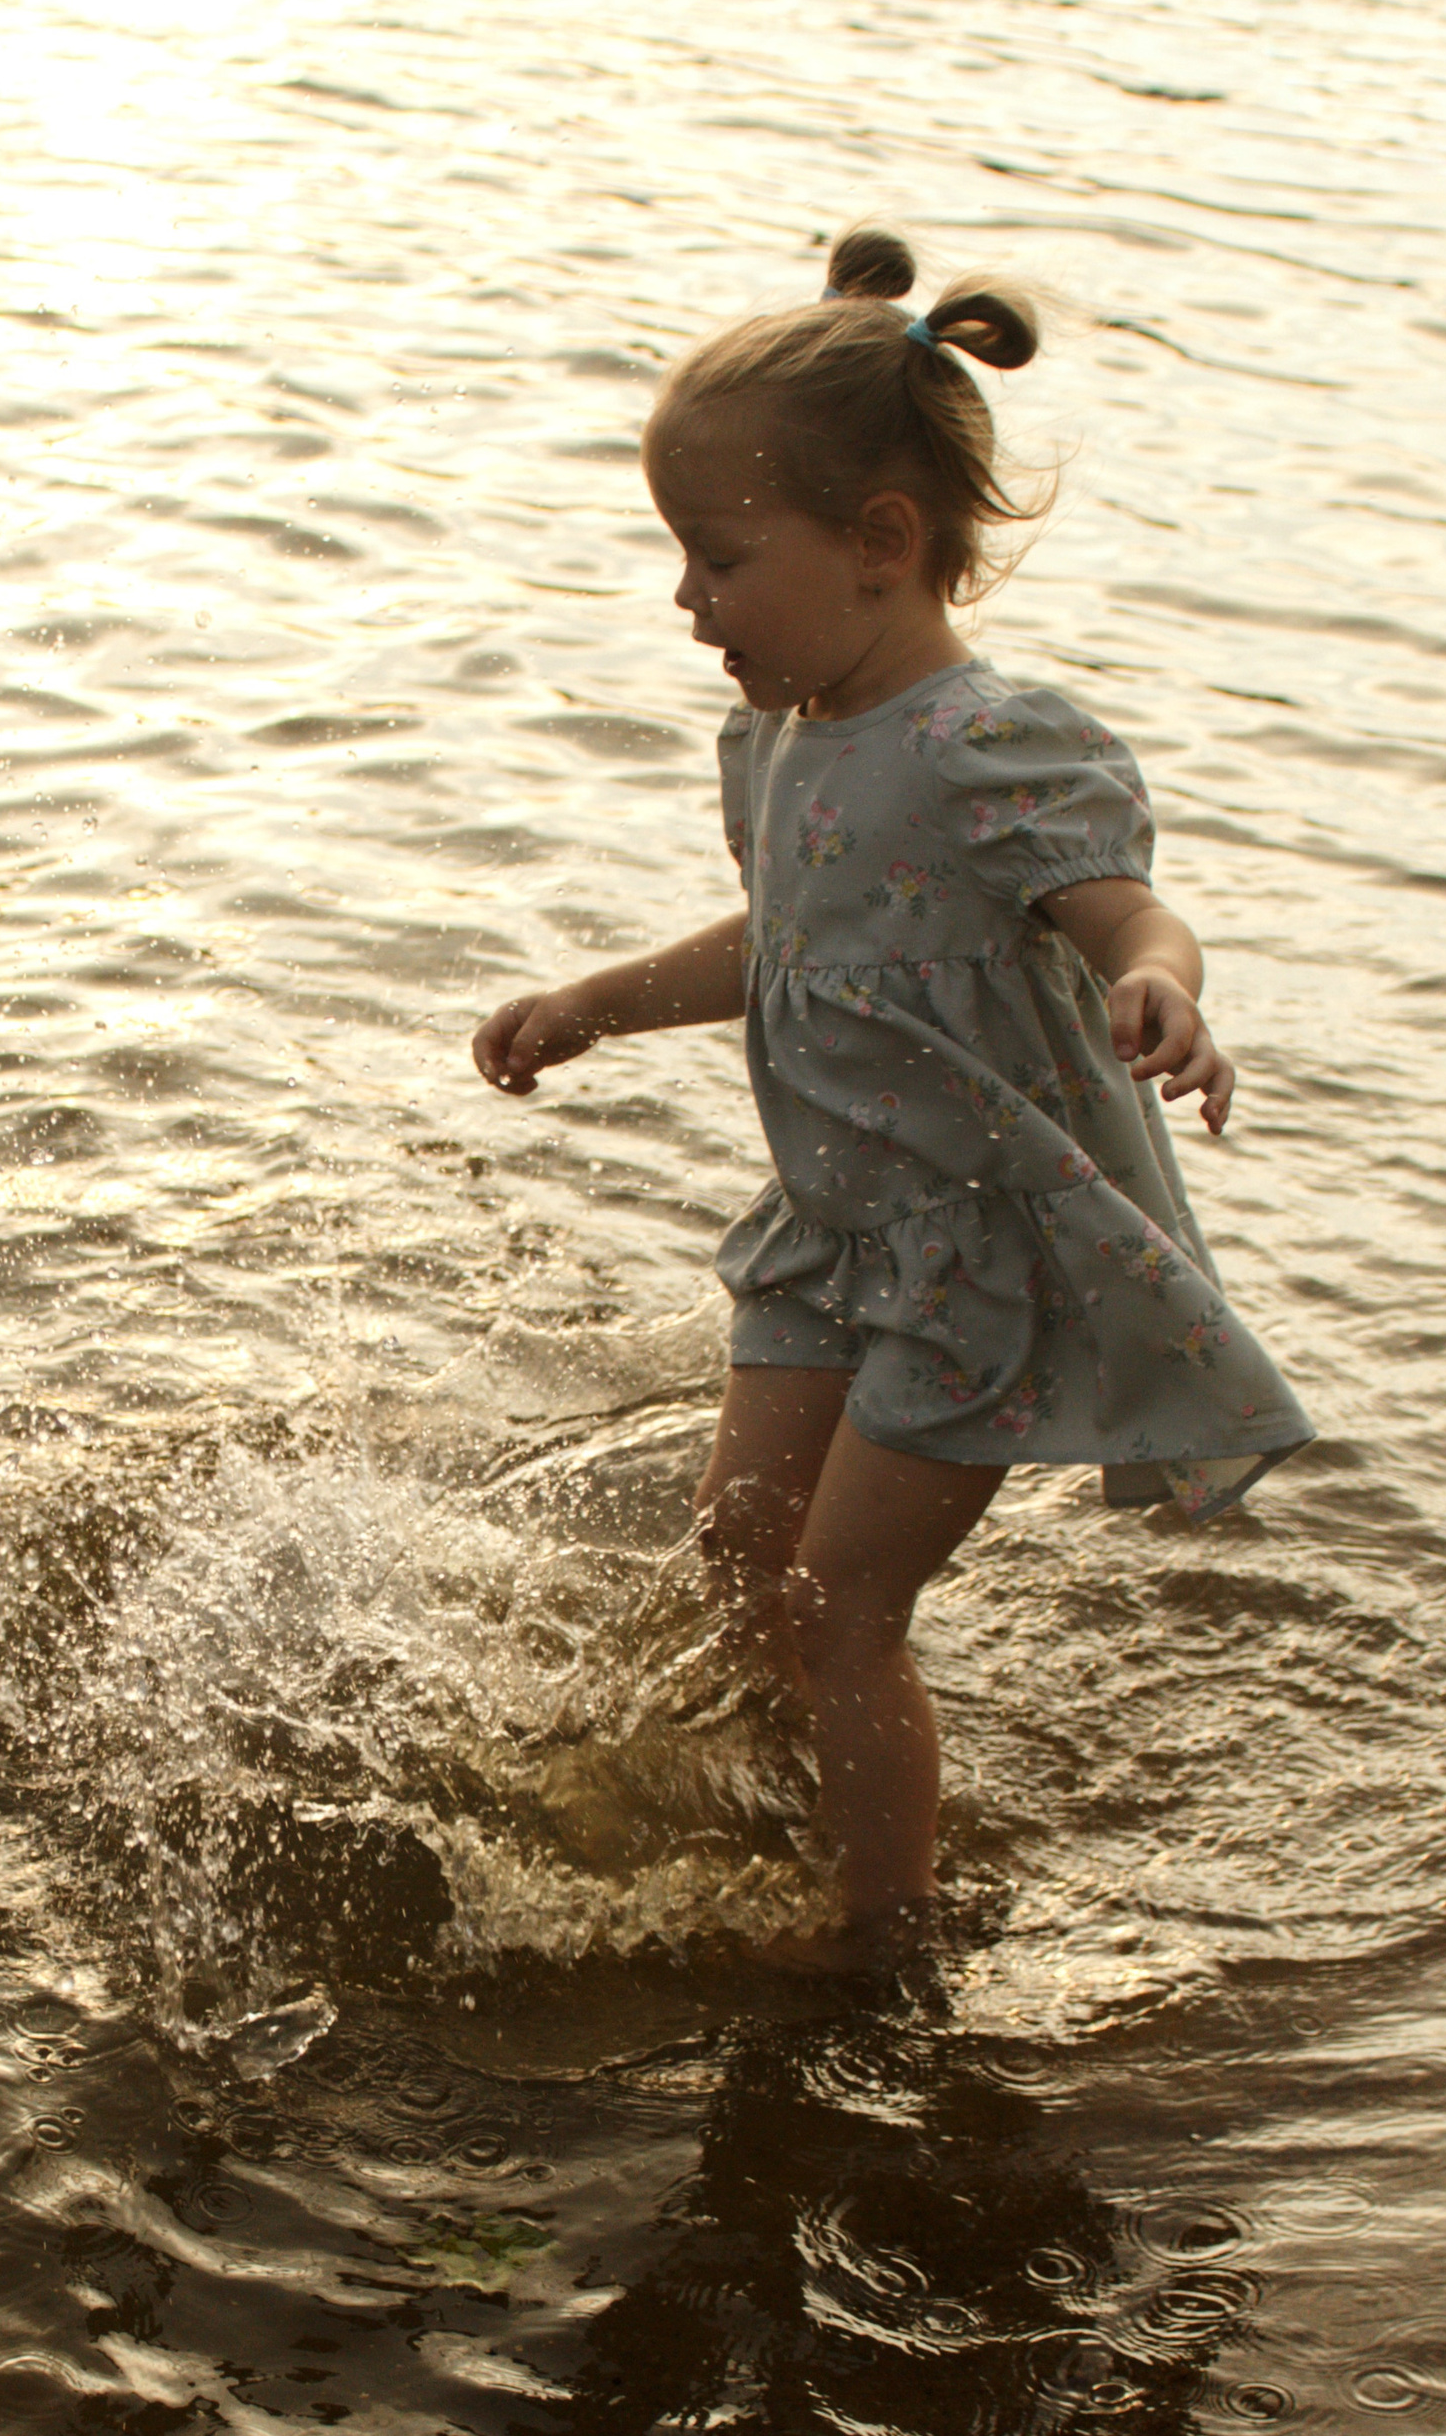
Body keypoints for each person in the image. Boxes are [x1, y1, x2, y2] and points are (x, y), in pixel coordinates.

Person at [472, 225, 1311, 1973]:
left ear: (879, 546)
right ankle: (798, 1782)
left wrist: (1164, 979)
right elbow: (788, 940)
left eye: (716, 561)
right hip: (835, 1231)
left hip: (972, 1257)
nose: (687, 602)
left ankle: (886, 1925)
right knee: (741, 1545)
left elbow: (1125, 908)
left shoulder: (986, 747)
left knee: (844, 1599)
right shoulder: (784, 737)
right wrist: (597, 1005)